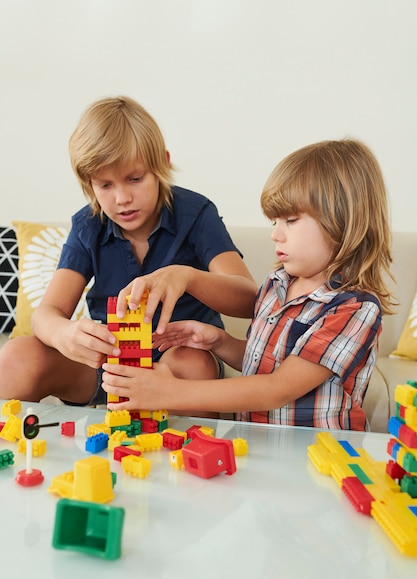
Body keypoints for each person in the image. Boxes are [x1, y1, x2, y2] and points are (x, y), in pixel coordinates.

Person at [102, 138, 395, 431]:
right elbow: (265, 363)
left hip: (318, 453)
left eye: (290, 220)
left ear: (342, 221)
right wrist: (219, 342)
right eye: (274, 223)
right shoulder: (276, 284)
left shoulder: (353, 308)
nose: (276, 235)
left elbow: (278, 388)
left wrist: (170, 392)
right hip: (261, 443)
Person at [0, 96, 257, 408]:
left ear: (161, 163)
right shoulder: (88, 226)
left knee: (191, 363)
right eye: (105, 185)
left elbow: (248, 299)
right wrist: (63, 334)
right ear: (88, 184)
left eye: (135, 179)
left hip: (182, 364)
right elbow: (47, 314)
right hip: (111, 366)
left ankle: (176, 451)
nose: (122, 198)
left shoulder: (196, 214)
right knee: (16, 356)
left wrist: (187, 277)